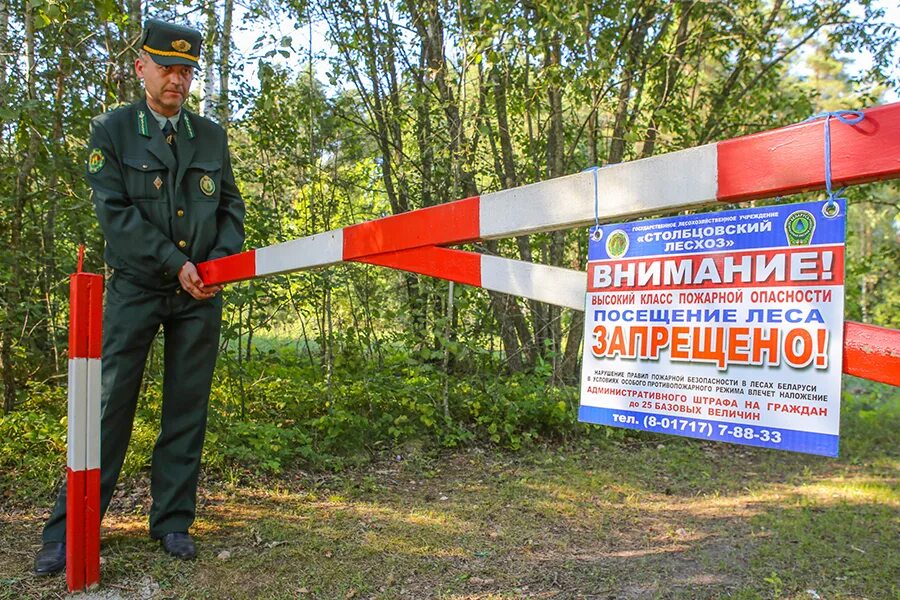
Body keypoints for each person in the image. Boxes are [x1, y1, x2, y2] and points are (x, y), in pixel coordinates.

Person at [34, 18, 245, 575]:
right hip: (137, 288)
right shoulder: (112, 130)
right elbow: (116, 217)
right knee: (108, 408)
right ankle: (72, 527)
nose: (177, 80)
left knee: (186, 406)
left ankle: (173, 521)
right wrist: (178, 263)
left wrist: (216, 266)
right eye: (166, 68)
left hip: (201, 292)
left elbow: (230, 210)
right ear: (141, 68)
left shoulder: (212, 136)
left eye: (186, 70)